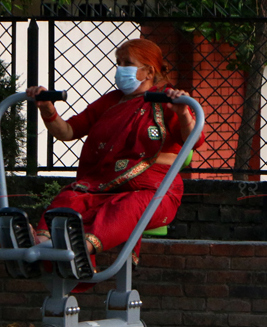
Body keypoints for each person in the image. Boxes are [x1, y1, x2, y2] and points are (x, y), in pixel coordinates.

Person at [26, 38, 204, 263]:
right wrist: (47, 109)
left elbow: (194, 141)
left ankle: (80, 249)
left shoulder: (168, 99)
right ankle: (41, 243)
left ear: (148, 71)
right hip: (103, 184)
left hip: (153, 190)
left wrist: (183, 112)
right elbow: (67, 132)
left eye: (126, 63)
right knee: (70, 197)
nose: (120, 69)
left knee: (125, 208)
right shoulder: (113, 100)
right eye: (118, 63)